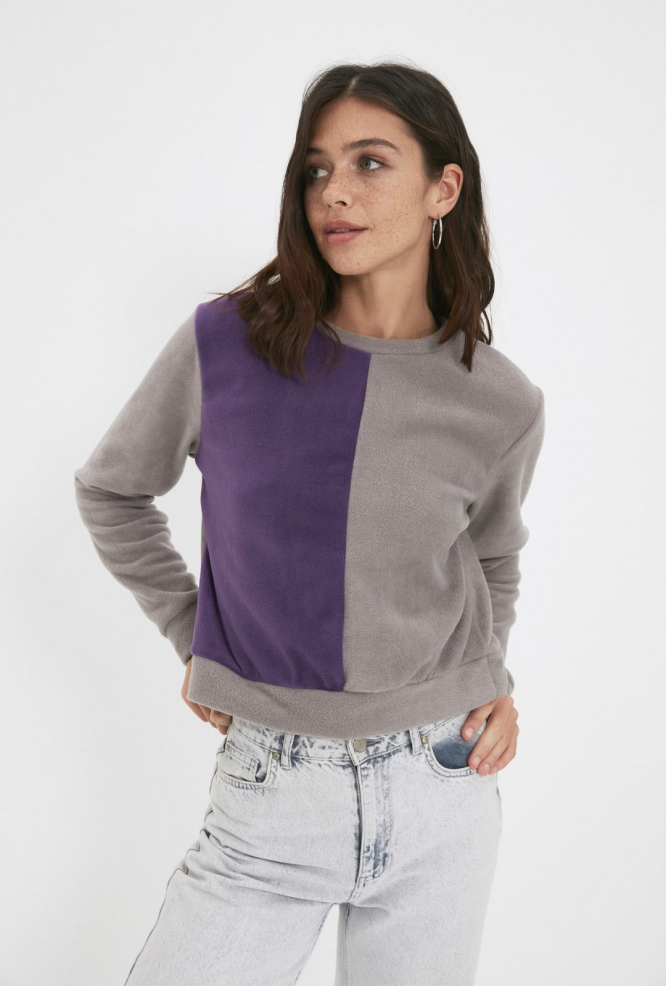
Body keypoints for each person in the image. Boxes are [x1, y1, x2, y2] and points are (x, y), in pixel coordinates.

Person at [75, 61, 545, 986]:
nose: (334, 191)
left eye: (370, 162)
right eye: (316, 168)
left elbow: (493, 556)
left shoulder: (500, 400)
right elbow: (112, 492)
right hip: (271, 790)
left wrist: (492, 678)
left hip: (446, 783)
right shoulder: (227, 344)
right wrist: (193, 634)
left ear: (444, 188)